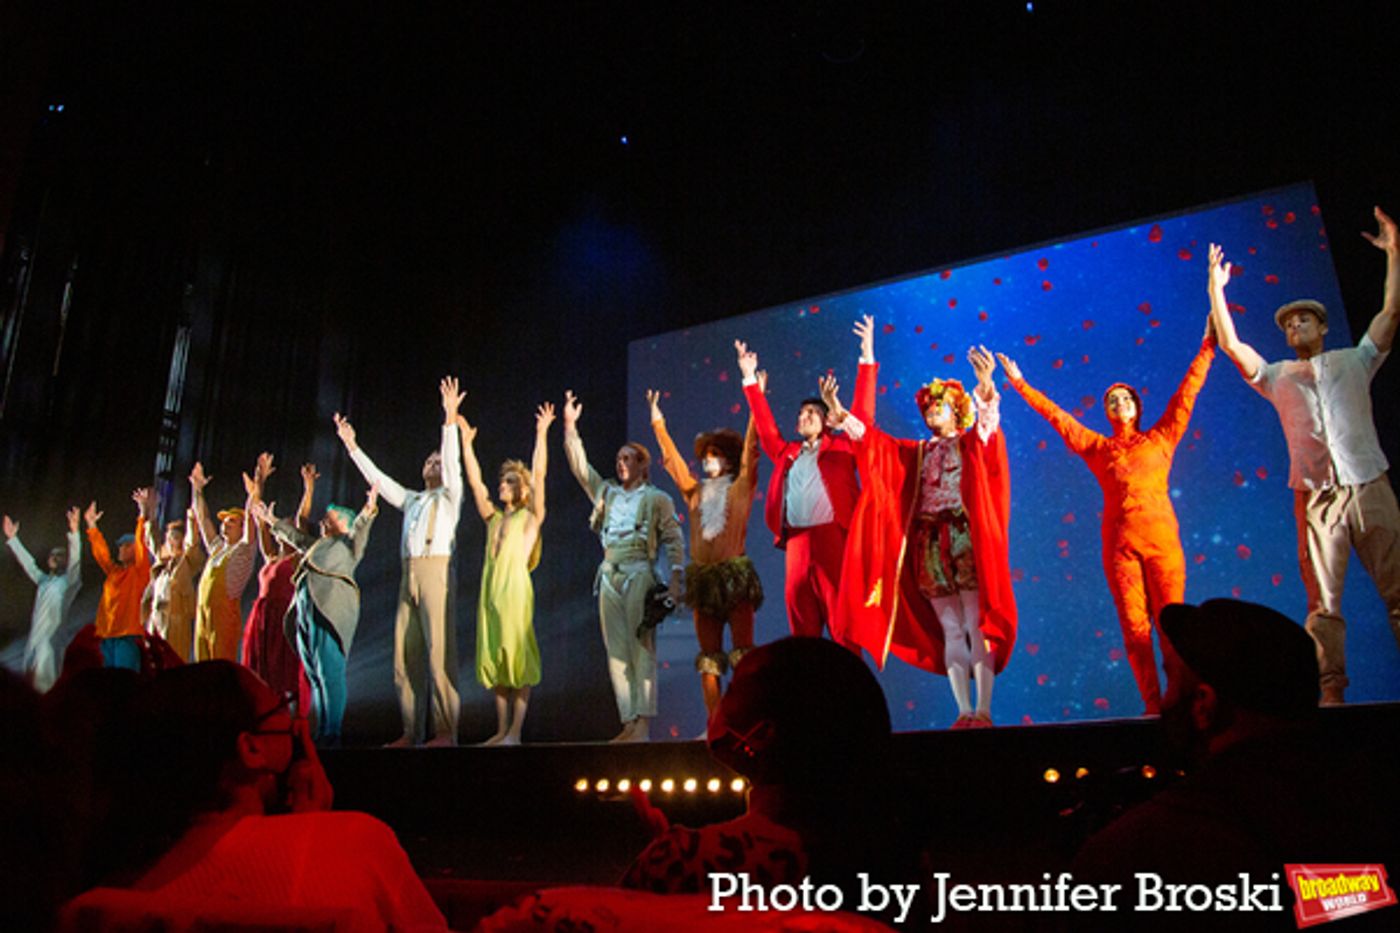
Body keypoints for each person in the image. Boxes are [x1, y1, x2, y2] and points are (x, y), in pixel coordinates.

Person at [1073, 599, 1397, 924]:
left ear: (1204, 706)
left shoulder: (1130, 857)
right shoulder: (1370, 824)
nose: (1165, 700)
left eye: (1170, 681)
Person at [65, 661, 447, 931]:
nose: (294, 722)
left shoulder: (96, 902)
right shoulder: (354, 843)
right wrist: (314, 834)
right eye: (280, 708)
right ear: (251, 749)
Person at [1208, 210, 1400, 706]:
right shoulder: (1278, 376)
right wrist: (1216, 287)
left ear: (1322, 325)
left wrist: (1395, 252)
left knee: (1398, 591)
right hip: (1317, 496)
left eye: (1304, 318)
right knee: (1323, 604)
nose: (1296, 324)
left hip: (1368, 483)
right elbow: (1231, 343)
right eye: (1290, 322)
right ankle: (1331, 692)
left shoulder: (1354, 360)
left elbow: (1390, 315)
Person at [997, 294, 1215, 715]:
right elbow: (1059, 417)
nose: (1119, 404)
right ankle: (1153, 704)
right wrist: (1020, 383)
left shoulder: (1161, 439)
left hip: (1162, 542)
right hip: (1119, 545)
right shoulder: (1096, 448)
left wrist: (1208, 345)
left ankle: (1180, 697)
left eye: (1125, 399)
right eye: (1111, 401)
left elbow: (1188, 392)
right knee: (1134, 628)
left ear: (1137, 405)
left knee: (1171, 625)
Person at [621, 637, 915, 923]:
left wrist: (667, 859)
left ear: (763, 733)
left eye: (732, 690)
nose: (718, 703)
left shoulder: (688, 860)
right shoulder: (902, 860)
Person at [830, 336, 1016, 726]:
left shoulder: (970, 443)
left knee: (975, 622)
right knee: (951, 627)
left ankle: (984, 708)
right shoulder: (915, 451)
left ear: (956, 411)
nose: (933, 412)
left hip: (964, 538)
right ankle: (964, 711)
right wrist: (842, 408)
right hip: (928, 544)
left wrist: (985, 388)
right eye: (929, 407)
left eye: (940, 405)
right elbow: (871, 441)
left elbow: (988, 428)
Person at [339, 376, 465, 746]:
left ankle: (445, 730)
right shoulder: (411, 499)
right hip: (408, 574)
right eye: (429, 459)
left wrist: (450, 419)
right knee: (404, 653)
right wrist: (352, 447)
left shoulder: (450, 497)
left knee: (439, 651)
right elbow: (379, 480)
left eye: (437, 460)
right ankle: (411, 730)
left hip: (436, 570)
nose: (433, 463)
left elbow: (454, 463)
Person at [735, 325, 875, 644]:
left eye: (812, 412)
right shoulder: (788, 453)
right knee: (803, 632)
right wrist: (749, 378)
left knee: (844, 629)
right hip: (796, 544)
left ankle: (850, 692)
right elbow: (766, 426)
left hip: (834, 541)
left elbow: (863, 417)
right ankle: (808, 691)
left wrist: (867, 355)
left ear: (828, 420)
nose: (804, 417)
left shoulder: (842, 447)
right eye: (801, 413)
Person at [562, 389, 685, 743]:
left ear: (642, 465)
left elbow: (675, 541)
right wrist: (570, 428)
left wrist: (676, 581)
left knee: (640, 647)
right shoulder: (607, 493)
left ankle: (644, 724)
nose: (621, 464)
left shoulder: (657, 499)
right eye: (618, 459)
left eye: (628, 459)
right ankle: (629, 721)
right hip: (610, 573)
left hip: (639, 572)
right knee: (615, 650)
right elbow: (580, 469)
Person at [647, 387, 762, 719]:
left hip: (734, 578)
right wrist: (658, 423)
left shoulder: (740, 488)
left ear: (726, 459)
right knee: (708, 657)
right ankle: (715, 721)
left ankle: (744, 716)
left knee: (742, 654)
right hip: (704, 581)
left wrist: (755, 404)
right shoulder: (695, 493)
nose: (707, 460)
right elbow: (674, 465)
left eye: (715, 454)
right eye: (705, 455)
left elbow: (751, 451)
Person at [253, 486, 378, 747]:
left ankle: (332, 732)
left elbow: (361, 528)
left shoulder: (348, 544)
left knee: (329, 671)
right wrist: (270, 521)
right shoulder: (317, 545)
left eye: (329, 518)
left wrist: (369, 508)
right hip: (305, 610)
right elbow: (295, 537)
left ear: (343, 523)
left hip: (327, 610)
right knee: (314, 674)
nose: (322, 521)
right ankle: (321, 731)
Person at [459, 403, 554, 745]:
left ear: (521, 489)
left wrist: (542, 434)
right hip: (490, 591)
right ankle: (501, 730)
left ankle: (516, 730)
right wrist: (466, 443)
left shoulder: (530, 518)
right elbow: (474, 483)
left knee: (518, 654)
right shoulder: (495, 519)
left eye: (510, 481)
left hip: (515, 590)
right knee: (496, 655)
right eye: (502, 481)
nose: (502, 485)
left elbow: (540, 474)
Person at [241, 454, 314, 712]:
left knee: (284, 669)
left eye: (286, 528)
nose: (281, 531)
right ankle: (265, 708)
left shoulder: (297, 558)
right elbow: (259, 520)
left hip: (284, 618)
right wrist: (259, 485)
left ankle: (291, 714)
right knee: (262, 669)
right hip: (262, 617)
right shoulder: (272, 555)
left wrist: (308, 489)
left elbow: (302, 519)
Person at [4, 507, 82, 691]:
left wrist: (74, 532)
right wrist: (13, 539)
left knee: (45, 686)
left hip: (50, 642)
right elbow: (29, 565)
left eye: (60, 556)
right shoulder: (44, 581)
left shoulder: (68, 584)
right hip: (34, 640)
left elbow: (76, 564)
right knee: (28, 684)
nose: (55, 558)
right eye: (53, 555)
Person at [189, 462, 256, 662]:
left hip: (224, 619)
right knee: (202, 668)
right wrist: (197, 489)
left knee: (220, 669)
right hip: (203, 617)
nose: (224, 526)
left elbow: (251, 525)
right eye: (224, 522)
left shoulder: (243, 550)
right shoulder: (218, 549)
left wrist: (253, 495)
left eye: (231, 522)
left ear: (242, 528)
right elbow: (203, 520)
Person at [85, 490, 155, 671]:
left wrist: (142, 513)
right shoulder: (114, 573)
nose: (121, 549)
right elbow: (101, 555)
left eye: (126, 545)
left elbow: (141, 544)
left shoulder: (140, 572)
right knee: (108, 682)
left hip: (127, 636)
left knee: (126, 680)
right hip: (106, 635)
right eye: (120, 545)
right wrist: (92, 526)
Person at [141, 507, 204, 663]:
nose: (170, 542)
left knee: (173, 660)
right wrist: (147, 514)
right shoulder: (162, 564)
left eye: (174, 538)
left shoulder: (187, 562)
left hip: (176, 620)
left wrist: (191, 522)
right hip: (156, 618)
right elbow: (152, 543)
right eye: (168, 538)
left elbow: (192, 545)